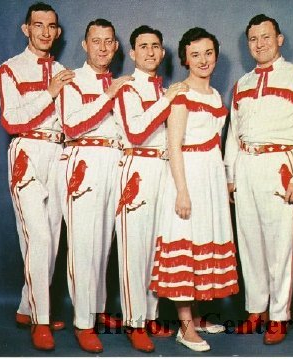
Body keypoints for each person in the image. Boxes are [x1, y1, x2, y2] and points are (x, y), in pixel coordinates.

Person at [224, 14, 293, 345]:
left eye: (266, 37)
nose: (260, 44)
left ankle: (279, 316)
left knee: (280, 245)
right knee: (249, 242)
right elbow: (233, 133)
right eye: (253, 39)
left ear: (279, 39)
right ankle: (255, 311)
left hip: (280, 165)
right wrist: (230, 175)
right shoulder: (243, 84)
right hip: (247, 164)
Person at [149, 27, 239, 352]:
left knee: (204, 242)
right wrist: (182, 191)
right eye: (195, 54)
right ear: (185, 58)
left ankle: (198, 316)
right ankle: (184, 327)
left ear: (216, 55)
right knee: (185, 244)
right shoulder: (180, 94)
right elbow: (174, 146)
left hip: (211, 177)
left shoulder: (215, 96)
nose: (203, 60)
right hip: (188, 174)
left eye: (208, 53)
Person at [0, 2, 74, 351]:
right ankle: (41, 321)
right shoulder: (9, 70)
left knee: (52, 238)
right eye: (37, 25)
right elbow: (12, 120)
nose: (44, 31)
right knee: (37, 237)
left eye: (51, 26)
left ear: (57, 31)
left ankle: (28, 307)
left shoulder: (64, 71)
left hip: (59, 152)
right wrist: (50, 92)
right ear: (26, 29)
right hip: (27, 150)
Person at [58, 18, 132, 353]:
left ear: (116, 47)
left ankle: (98, 311)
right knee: (83, 244)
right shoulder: (72, 80)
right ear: (85, 45)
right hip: (83, 160)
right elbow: (72, 126)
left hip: (113, 164)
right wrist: (109, 95)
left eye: (108, 41)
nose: (102, 47)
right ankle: (83, 322)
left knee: (104, 242)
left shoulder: (121, 83)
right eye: (95, 41)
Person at [114, 25, 188, 353]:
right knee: (134, 249)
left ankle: (151, 314)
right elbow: (135, 131)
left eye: (155, 46)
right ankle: (134, 321)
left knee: (158, 247)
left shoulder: (163, 89)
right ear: (132, 53)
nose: (149, 52)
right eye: (143, 46)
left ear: (161, 52)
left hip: (162, 168)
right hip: (137, 166)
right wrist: (169, 99)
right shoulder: (127, 88)